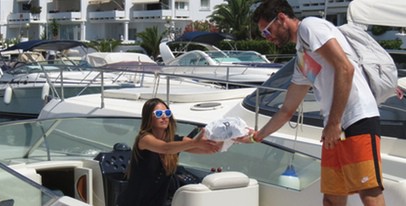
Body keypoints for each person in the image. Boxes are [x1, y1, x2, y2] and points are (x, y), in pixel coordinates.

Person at [237, 0, 385, 205]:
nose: (268, 38)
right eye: (264, 34)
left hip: (357, 118)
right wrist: (257, 136)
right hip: (334, 130)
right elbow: (287, 109)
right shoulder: (302, 58)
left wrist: (334, 123)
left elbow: (345, 68)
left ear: (281, 19)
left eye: (267, 31)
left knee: (369, 192)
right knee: (332, 198)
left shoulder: (310, 27)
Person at [117, 98, 222, 206]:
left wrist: (232, 138)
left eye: (167, 113)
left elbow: (209, 149)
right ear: (149, 117)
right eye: (158, 113)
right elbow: (165, 148)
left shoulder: (175, 141)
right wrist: (195, 142)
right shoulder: (144, 139)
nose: (164, 117)